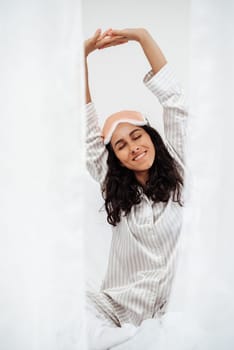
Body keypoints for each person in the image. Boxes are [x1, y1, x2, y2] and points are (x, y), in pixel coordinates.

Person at [84, 28, 188, 349]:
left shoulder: (182, 173)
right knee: (65, 311)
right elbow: (84, 125)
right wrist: (81, 56)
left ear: (151, 136)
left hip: (174, 309)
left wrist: (142, 37)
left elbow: (174, 101)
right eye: (121, 145)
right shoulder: (114, 189)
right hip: (117, 310)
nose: (133, 147)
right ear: (114, 157)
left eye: (137, 136)